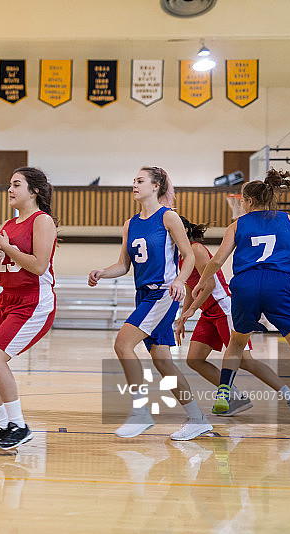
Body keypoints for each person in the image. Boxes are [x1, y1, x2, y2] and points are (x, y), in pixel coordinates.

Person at [88, 166, 213, 440]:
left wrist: (180, 280)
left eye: (140, 180)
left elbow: (188, 256)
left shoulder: (168, 217)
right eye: (133, 180)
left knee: (122, 344)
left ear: (156, 186)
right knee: (163, 362)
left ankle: (140, 412)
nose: (134, 184)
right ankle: (197, 419)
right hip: (143, 294)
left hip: (164, 294)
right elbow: (123, 265)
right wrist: (102, 272)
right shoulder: (130, 224)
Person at [193, 169, 290, 428]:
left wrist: (201, 281)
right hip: (279, 284)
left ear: (249, 201)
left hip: (245, 285)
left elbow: (218, 260)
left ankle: (224, 392)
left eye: (241, 200)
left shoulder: (237, 224)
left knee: (237, 343)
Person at [174, 216, 290, 422]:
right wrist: (183, 316)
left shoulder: (196, 249)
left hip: (224, 306)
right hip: (208, 312)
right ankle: (235, 396)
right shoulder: (179, 256)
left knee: (245, 361)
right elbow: (191, 287)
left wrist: (191, 309)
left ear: (182, 230)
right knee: (194, 359)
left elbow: (207, 285)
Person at [0, 167, 57, 450]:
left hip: (34, 300)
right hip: (6, 300)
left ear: (33, 191)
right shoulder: (7, 225)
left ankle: (19, 426)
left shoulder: (42, 221)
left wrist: (8, 250)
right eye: (10, 184)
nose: (10, 189)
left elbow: (39, 266)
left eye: (16, 184)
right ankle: (1, 424)